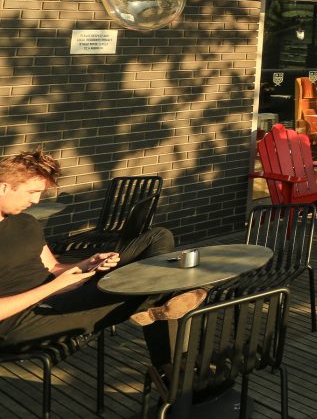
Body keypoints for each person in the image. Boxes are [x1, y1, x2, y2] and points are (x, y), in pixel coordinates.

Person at [0, 149, 207, 359]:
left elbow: (53, 268)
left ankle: (157, 304)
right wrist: (54, 287)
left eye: (40, 193)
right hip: (19, 323)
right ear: (4, 187)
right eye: (31, 192)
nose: (36, 201)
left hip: (60, 295)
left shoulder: (26, 223)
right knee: (163, 293)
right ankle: (159, 308)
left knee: (157, 236)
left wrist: (87, 264)